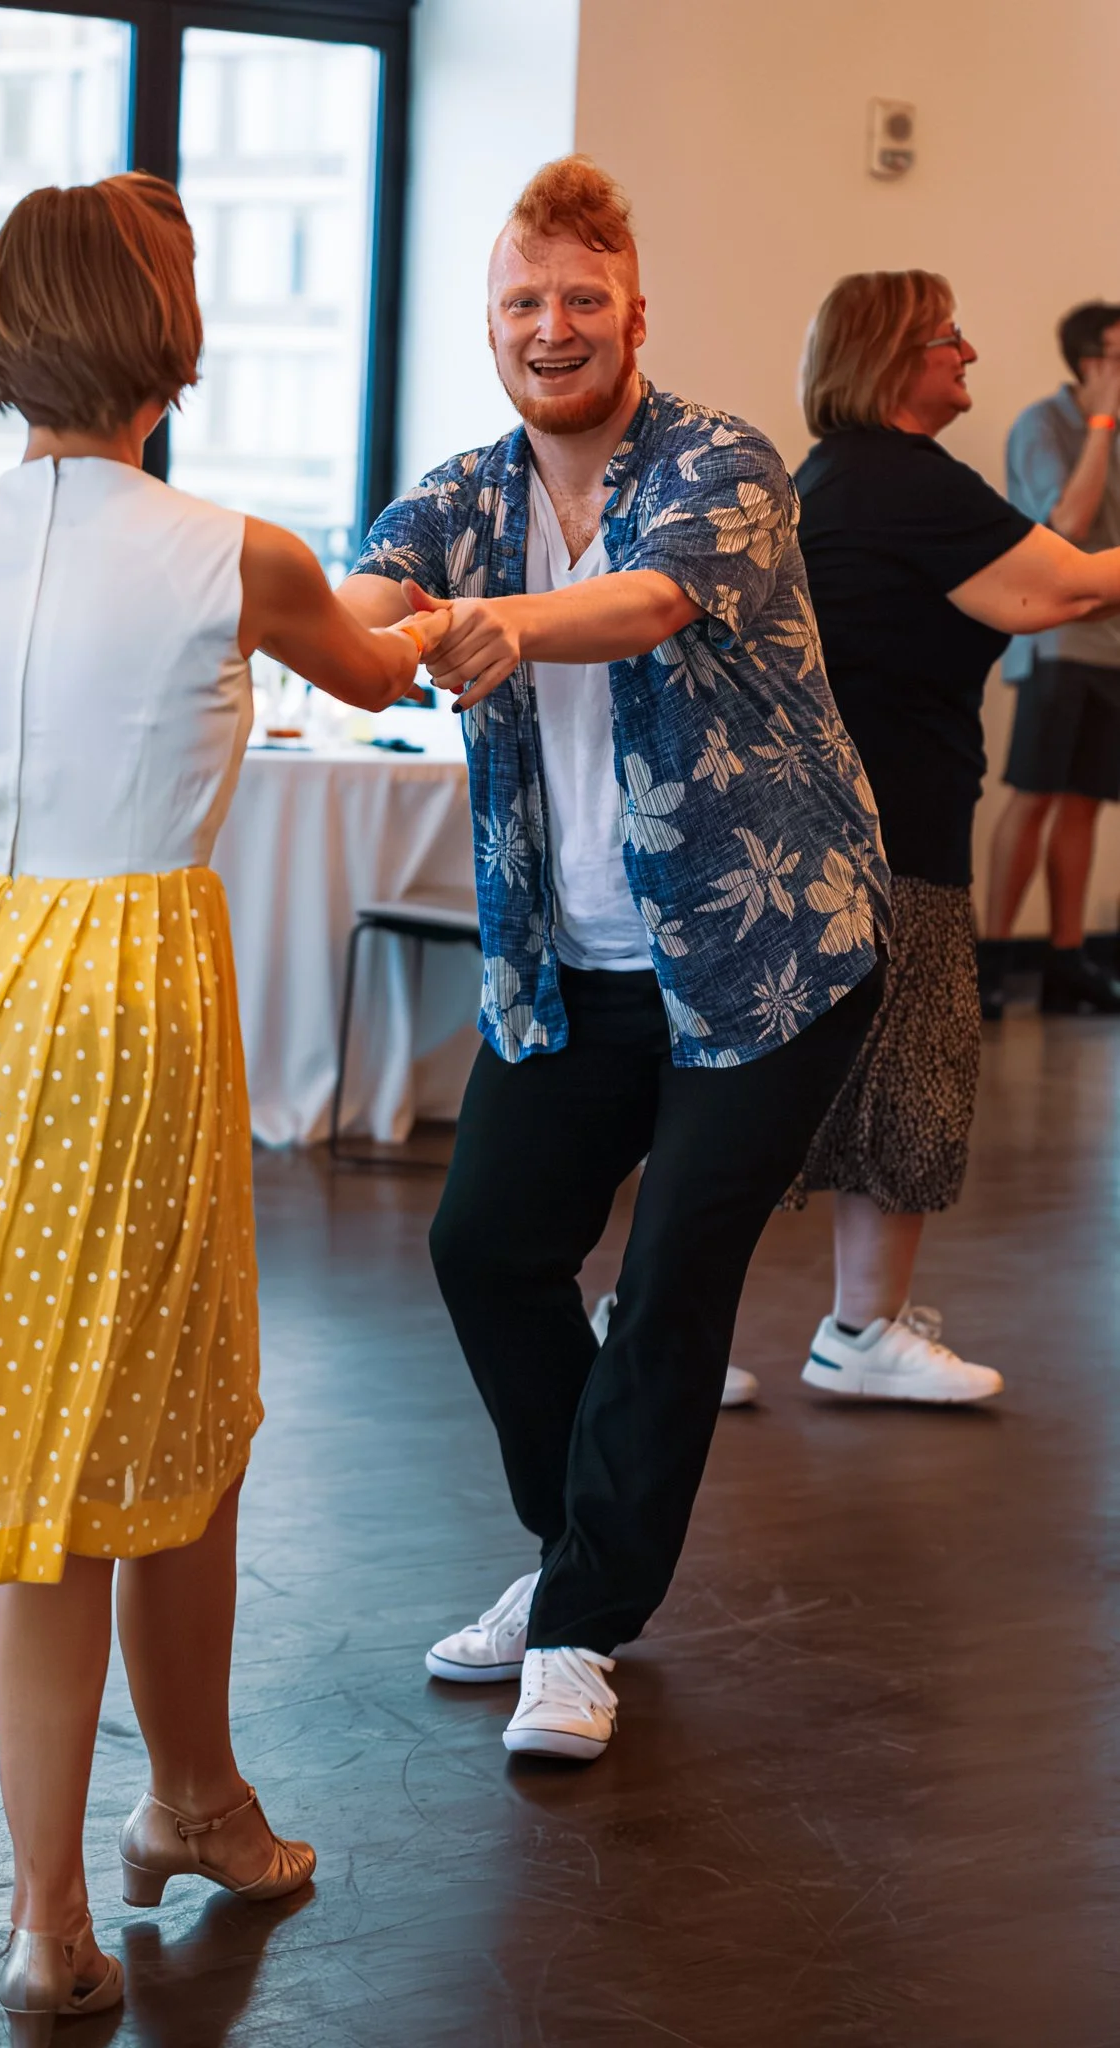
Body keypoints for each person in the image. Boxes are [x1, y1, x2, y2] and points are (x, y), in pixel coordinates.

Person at [0, 174, 445, 2039]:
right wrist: (428, 612)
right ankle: (65, 1897)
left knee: (112, 1421)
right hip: (117, 988)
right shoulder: (237, 553)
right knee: (125, 1424)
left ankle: (164, 1817)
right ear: (159, 335)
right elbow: (371, 664)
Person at [339, 157, 891, 1765]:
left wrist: (501, 624)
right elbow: (372, 596)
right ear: (489, 327)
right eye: (522, 301)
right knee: (485, 1249)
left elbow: (651, 601)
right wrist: (346, 625)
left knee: (664, 1286)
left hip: (765, 955)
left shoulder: (720, 460)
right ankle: (572, 1556)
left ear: (633, 317)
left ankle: (576, 1628)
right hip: (570, 959)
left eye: (582, 298)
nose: (551, 326)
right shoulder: (464, 494)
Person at [787, 270, 1120, 1406]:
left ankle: (845, 1324)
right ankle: (838, 1328)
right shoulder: (897, 478)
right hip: (882, 833)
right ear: (891, 357)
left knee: (873, 1085)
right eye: (948, 337)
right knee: (907, 1078)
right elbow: (1061, 590)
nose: (968, 352)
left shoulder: (853, 475)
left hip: (866, 821)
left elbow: (1040, 590)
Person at [981, 301, 1120, 1017]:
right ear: (1090, 362)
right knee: (1033, 794)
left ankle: (1066, 961)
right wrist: (1100, 423)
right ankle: (993, 961)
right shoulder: (1043, 425)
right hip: (1056, 644)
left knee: (1085, 802)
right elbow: (1066, 525)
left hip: (1110, 646)